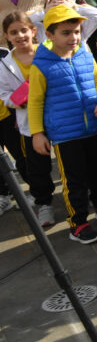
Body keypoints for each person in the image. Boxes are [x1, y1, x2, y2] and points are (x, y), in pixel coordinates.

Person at [28, 5, 97, 244]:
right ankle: (78, 223)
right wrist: (37, 133)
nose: (74, 37)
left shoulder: (84, 54)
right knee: (74, 181)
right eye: (66, 32)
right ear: (49, 35)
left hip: (92, 127)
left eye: (77, 31)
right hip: (65, 134)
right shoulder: (41, 64)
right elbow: (35, 102)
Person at [0, 12, 55, 225]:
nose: (20, 35)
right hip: (29, 123)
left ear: (33, 31)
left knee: (68, 158)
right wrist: (17, 102)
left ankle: (80, 193)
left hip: (57, 115)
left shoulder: (48, 52)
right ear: (7, 36)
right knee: (36, 166)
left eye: (24, 30)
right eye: (14, 32)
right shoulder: (4, 64)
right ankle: (45, 204)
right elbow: (4, 95)